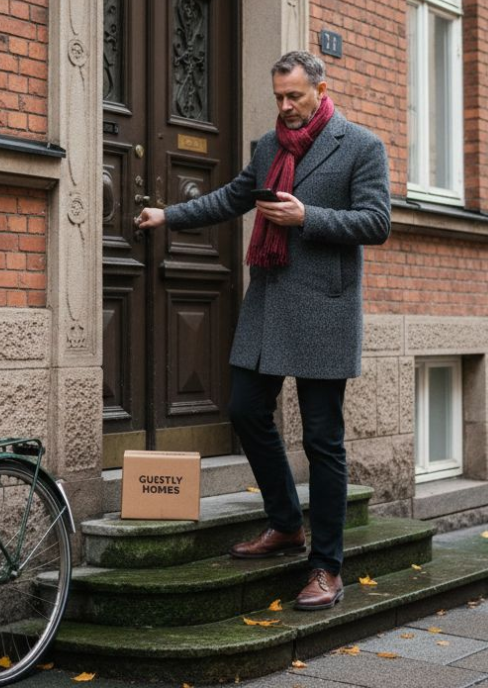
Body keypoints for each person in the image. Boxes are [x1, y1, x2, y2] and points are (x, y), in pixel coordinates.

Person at [136, 51, 391, 610]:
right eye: (279, 96)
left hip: (324, 310)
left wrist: (308, 218)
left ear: (320, 89)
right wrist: (168, 216)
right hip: (270, 302)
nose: (285, 106)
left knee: (322, 440)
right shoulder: (269, 146)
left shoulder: (361, 145)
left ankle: (327, 568)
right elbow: (234, 197)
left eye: (294, 95)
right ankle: (286, 523)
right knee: (246, 409)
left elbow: (377, 222)